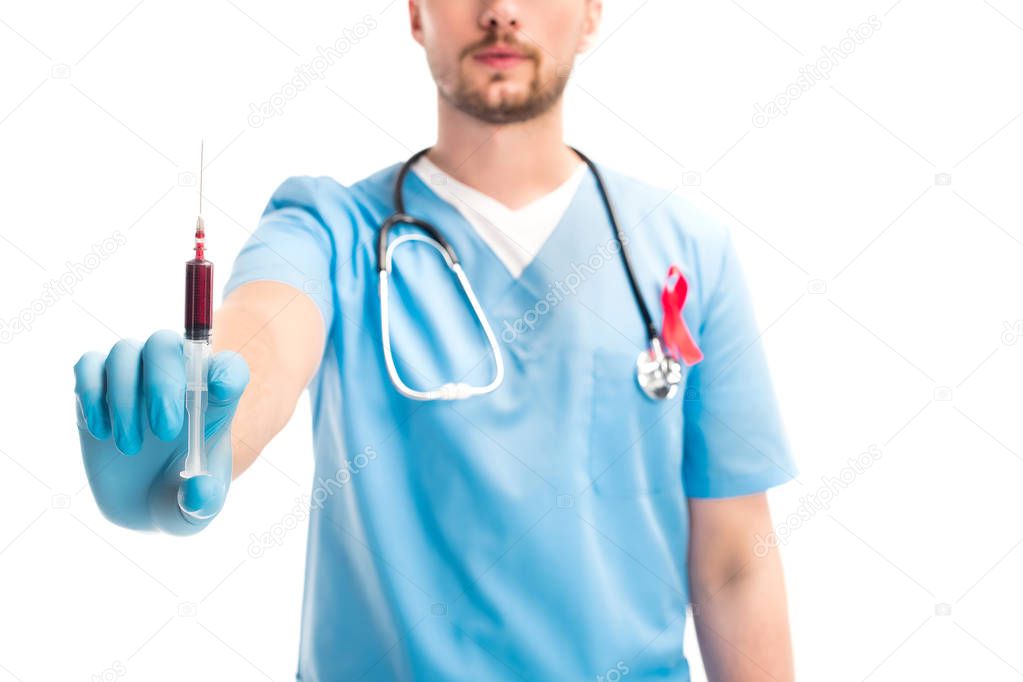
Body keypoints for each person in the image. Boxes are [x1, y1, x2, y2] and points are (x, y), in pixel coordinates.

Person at [73, 1, 797, 679]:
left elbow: (734, 563)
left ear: (591, 13)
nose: (500, 11)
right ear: (416, 12)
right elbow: (263, 337)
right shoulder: (328, 229)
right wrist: (201, 435)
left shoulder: (685, 251)